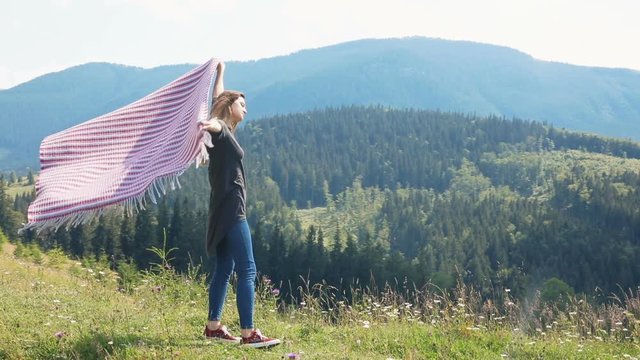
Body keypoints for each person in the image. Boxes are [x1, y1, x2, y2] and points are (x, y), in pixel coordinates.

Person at [199, 61, 281, 348]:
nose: (246, 108)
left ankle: (213, 327)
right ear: (230, 107)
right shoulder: (220, 128)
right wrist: (204, 123)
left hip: (218, 209)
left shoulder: (226, 129)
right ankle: (249, 333)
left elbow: (218, 102)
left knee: (224, 270)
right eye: (242, 104)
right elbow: (214, 122)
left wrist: (220, 74)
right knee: (247, 269)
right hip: (233, 209)